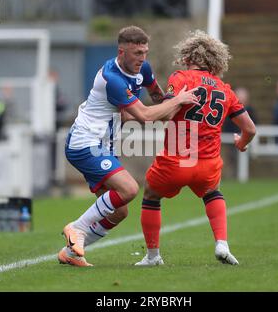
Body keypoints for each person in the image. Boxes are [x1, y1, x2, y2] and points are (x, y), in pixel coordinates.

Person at [58, 26, 199, 266]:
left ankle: (70, 253)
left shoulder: (142, 68)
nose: (142, 58)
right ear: (121, 52)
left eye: (145, 52)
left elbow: (157, 98)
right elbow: (144, 115)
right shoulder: (112, 78)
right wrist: (177, 102)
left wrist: (173, 101)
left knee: (118, 211)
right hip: (85, 143)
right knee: (130, 189)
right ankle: (77, 228)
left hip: (102, 144)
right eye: (136, 53)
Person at [134, 30, 256, 266]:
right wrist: (242, 142)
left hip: (177, 159)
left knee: (151, 193)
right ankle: (222, 243)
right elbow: (249, 129)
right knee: (213, 192)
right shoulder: (225, 89)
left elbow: (167, 112)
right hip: (208, 163)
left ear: (188, 56)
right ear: (215, 60)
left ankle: (152, 256)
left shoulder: (181, 78)